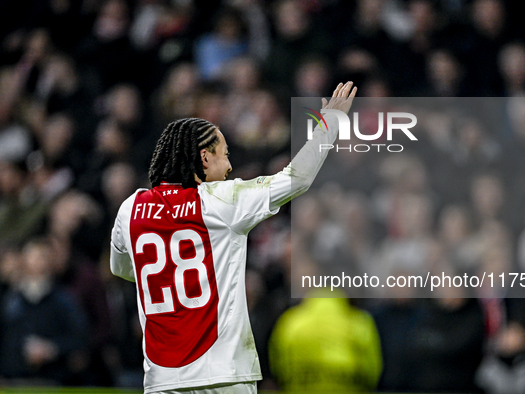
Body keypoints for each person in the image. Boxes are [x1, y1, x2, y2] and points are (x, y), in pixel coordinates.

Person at [109, 81, 357, 393]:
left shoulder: (131, 208)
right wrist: (328, 123)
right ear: (203, 158)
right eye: (224, 155)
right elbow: (297, 178)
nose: (229, 167)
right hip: (223, 375)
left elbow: (121, 269)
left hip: (163, 380)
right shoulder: (221, 201)